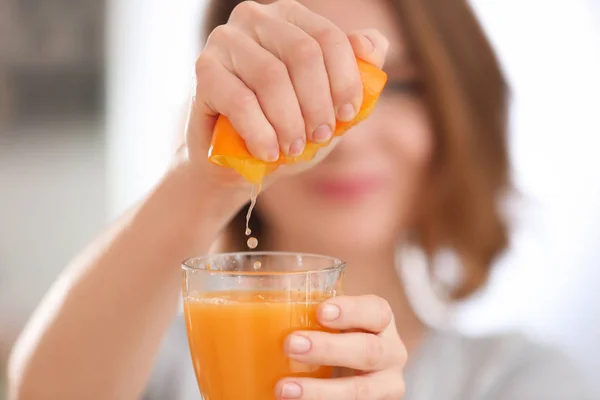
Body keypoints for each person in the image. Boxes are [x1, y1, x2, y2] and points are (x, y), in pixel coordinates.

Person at [7, 0, 593, 399]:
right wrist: (208, 175)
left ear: (459, 111)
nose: (347, 136)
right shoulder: (154, 357)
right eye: (287, 88)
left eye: (400, 86)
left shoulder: (518, 380)